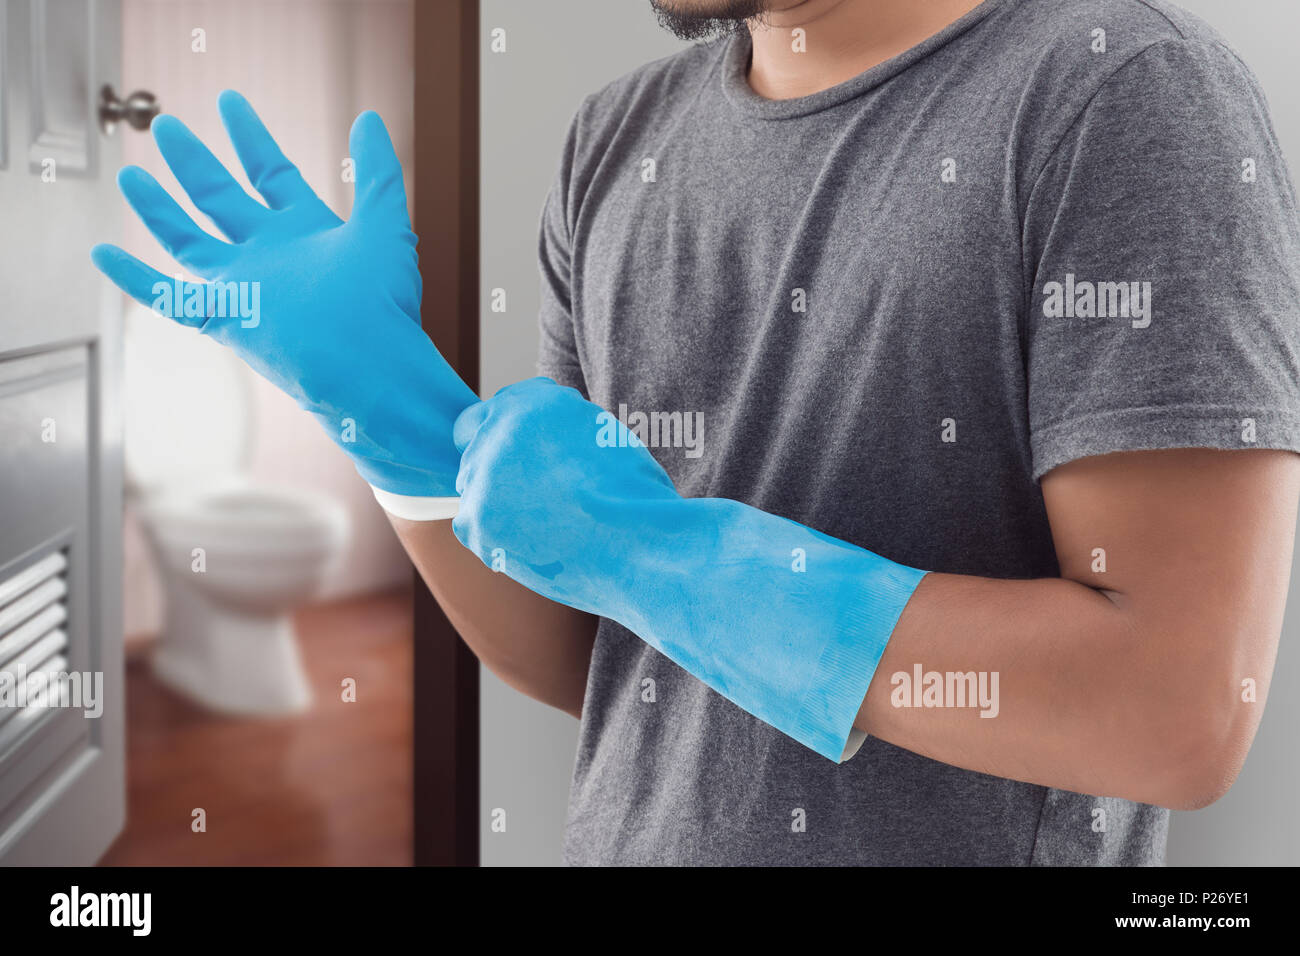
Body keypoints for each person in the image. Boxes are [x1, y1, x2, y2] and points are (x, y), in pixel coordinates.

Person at [95, 0, 1300, 867]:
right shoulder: (614, 141)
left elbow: (1173, 709)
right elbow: (591, 654)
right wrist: (403, 427)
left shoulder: (1119, 90)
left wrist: (659, 548)